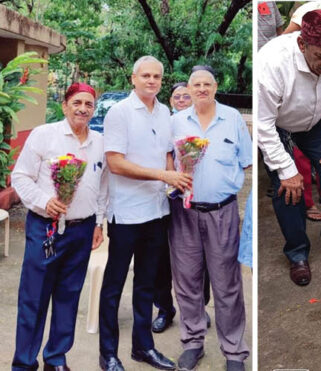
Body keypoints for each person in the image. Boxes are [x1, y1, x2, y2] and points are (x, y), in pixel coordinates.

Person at [99, 56, 191, 371]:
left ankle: (143, 348)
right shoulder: (119, 113)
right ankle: (108, 354)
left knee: (146, 284)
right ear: (133, 78)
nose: (152, 81)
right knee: (113, 286)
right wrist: (163, 176)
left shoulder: (164, 111)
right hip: (126, 214)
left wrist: (174, 179)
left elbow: (167, 153)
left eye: (157, 77)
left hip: (157, 210)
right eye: (146, 76)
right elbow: (115, 163)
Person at [257, 10, 321, 286]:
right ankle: (297, 252)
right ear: (302, 45)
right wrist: (286, 169)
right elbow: (262, 125)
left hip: (315, 123)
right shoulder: (271, 62)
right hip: (279, 125)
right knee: (287, 188)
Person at [11, 83, 107, 371]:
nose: (82, 109)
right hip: (45, 229)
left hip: (82, 230)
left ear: (94, 109)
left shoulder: (100, 142)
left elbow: (103, 187)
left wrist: (98, 222)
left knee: (68, 297)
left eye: (89, 104)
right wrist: (44, 201)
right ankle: (25, 363)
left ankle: (56, 359)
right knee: (34, 299)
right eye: (77, 102)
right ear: (65, 106)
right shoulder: (45, 135)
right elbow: (20, 176)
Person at [169, 68, 252, 371]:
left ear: (216, 87)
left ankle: (233, 351)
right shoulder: (176, 122)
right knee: (187, 281)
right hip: (184, 212)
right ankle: (192, 342)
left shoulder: (232, 118)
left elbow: (246, 162)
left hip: (223, 212)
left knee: (227, 283)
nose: (202, 89)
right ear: (188, 90)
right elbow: (167, 162)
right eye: (196, 84)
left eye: (207, 84)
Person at [152, 80, 213, 334]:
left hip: (198, 202)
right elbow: (162, 154)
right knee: (162, 258)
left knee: (201, 259)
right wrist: (172, 177)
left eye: (185, 97)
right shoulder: (165, 124)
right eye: (176, 97)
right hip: (166, 201)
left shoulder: (203, 123)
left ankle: (199, 308)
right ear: (170, 101)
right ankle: (165, 308)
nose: (181, 101)